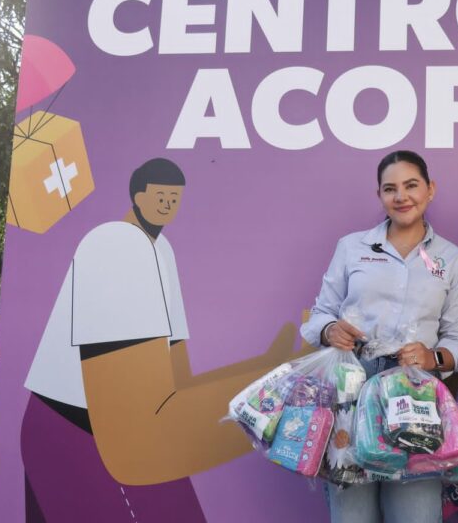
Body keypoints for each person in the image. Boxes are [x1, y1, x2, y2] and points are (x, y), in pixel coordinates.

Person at [21, 158, 302, 522]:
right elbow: (144, 424)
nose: (168, 204)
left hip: (123, 434)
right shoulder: (115, 244)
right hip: (77, 430)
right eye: (160, 196)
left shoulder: (160, 250)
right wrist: (273, 397)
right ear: (138, 197)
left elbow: (175, 381)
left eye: (174, 197)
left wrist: (270, 373)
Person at [301, 150, 458, 523]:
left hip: (414, 397)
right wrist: (330, 330)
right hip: (351, 389)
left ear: (430, 189)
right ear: (379, 195)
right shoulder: (352, 247)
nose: (401, 196)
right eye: (390, 188)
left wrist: (432, 357)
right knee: (352, 516)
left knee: (417, 515)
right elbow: (319, 317)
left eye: (411, 185)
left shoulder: (453, 259)